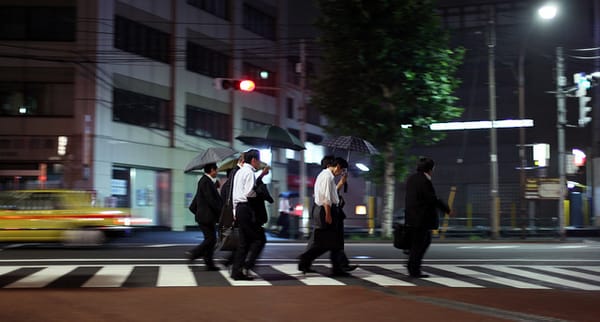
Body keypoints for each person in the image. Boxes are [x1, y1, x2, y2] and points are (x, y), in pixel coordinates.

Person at [298, 156, 350, 277]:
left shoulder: (327, 176)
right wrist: (328, 214)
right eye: (341, 170)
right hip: (326, 210)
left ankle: (336, 268)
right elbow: (326, 197)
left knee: (333, 242)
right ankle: (305, 259)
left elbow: (332, 194)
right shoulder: (327, 176)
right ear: (337, 166)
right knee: (325, 242)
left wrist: (341, 183)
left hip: (326, 209)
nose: (341, 173)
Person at [404, 157, 452, 278]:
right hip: (421, 218)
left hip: (412, 216)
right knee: (421, 244)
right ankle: (414, 269)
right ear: (431, 169)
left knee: (419, 243)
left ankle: (412, 265)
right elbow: (432, 198)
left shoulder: (412, 178)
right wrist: (446, 209)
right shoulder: (425, 181)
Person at [230, 149, 269, 281]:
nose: (259, 164)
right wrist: (258, 193)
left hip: (240, 209)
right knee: (259, 239)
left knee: (244, 243)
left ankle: (237, 271)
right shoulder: (249, 173)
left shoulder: (239, 172)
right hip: (247, 209)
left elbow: (235, 194)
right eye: (258, 161)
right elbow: (248, 193)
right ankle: (247, 266)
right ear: (253, 160)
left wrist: (235, 212)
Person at [186, 162, 223, 270]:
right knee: (211, 240)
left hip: (205, 216)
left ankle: (209, 264)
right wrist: (222, 211)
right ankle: (194, 253)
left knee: (211, 240)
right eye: (216, 170)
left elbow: (206, 196)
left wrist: (215, 186)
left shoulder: (206, 182)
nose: (217, 172)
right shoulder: (205, 181)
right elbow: (210, 200)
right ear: (212, 170)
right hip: (206, 216)